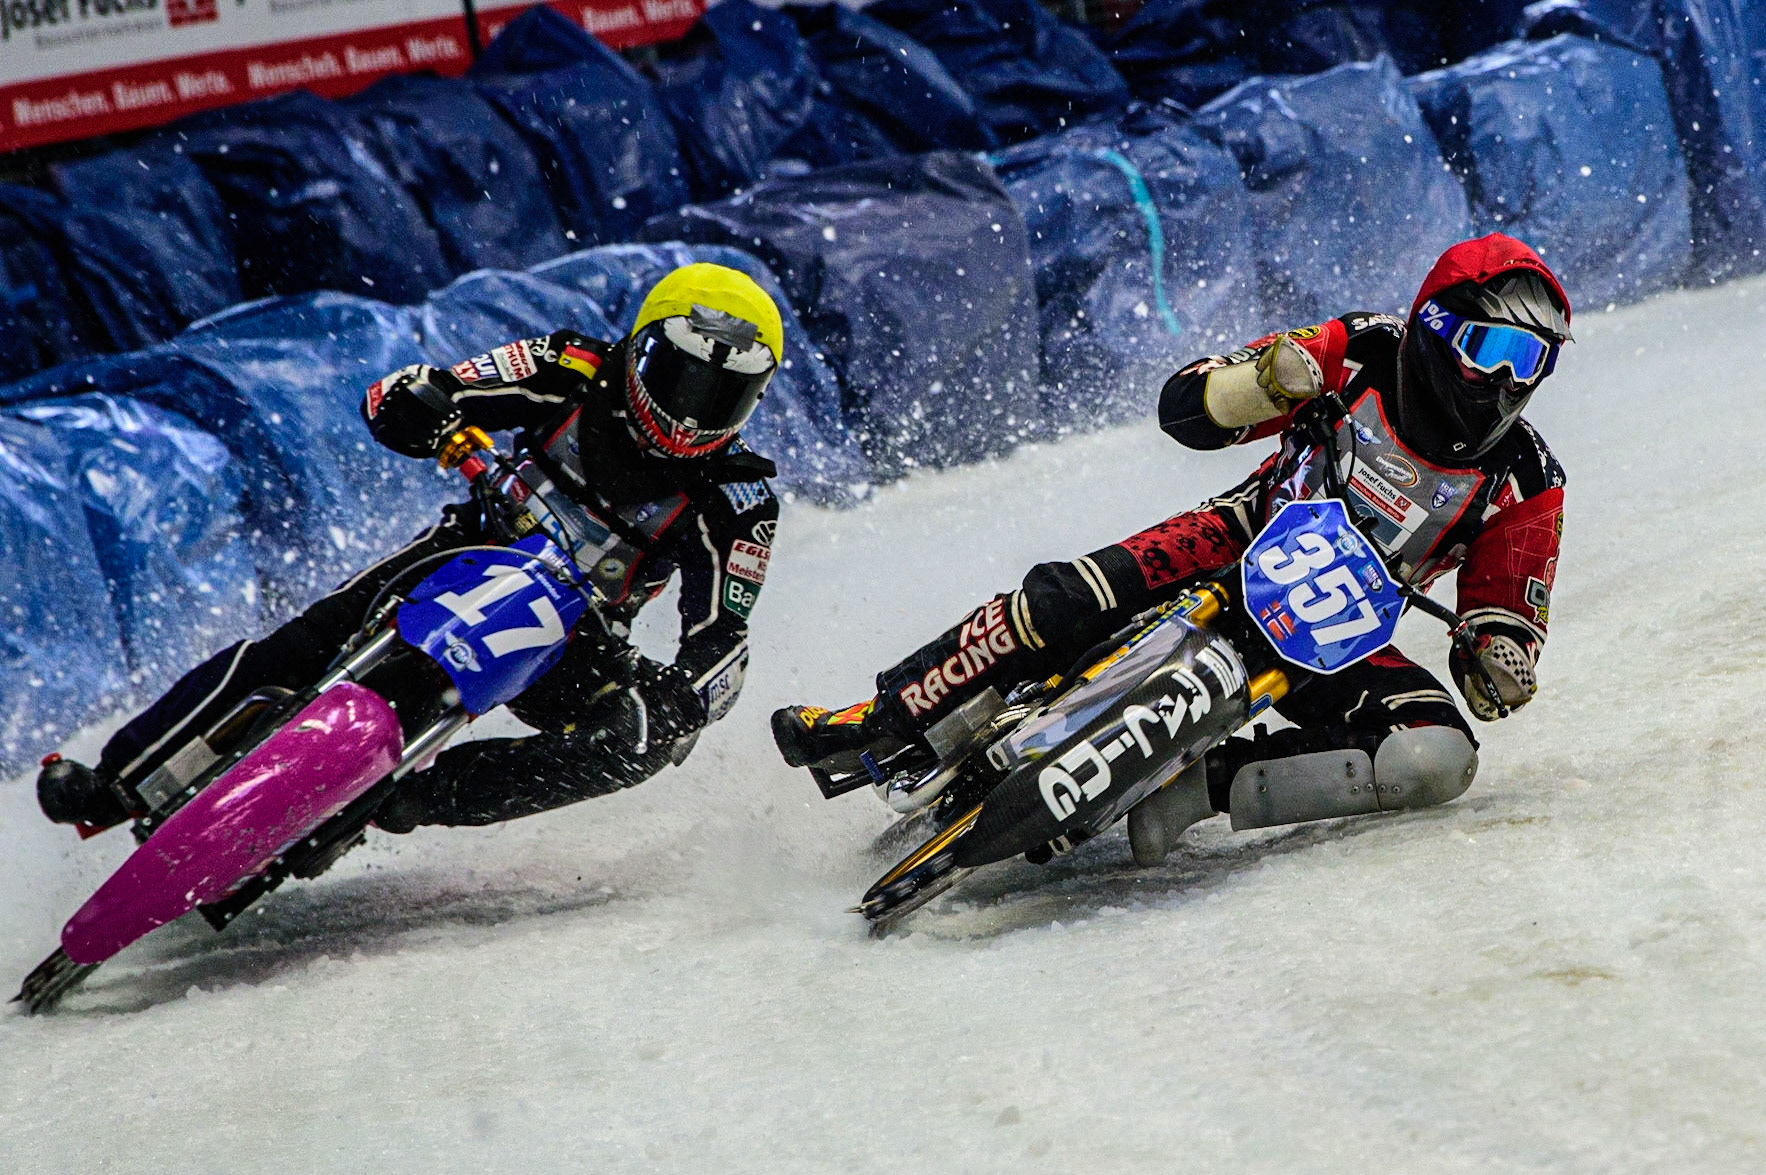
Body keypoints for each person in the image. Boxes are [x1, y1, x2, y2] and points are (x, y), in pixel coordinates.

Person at [773, 233, 1569, 864]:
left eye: (1526, 361)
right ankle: (882, 715)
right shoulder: (1363, 348)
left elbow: (1504, 624)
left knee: (1435, 756)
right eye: (1486, 348)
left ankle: (1201, 788)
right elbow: (1185, 409)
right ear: (1434, 324)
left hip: (1335, 636)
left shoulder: (1527, 475)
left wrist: (1496, 656)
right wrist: (1260, 384)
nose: (1502, 379)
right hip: (1238, 536)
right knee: (1063, 595)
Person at [38, 263, 783, 833]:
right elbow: (422, 389)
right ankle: (113, 783)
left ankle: (415, 796)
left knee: (638, 740)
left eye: (719, 396)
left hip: (571, 635)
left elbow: (724, 637)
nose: (689, 416)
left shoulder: (739, 499)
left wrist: (683, 692)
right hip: (473, 548)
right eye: (680, 380)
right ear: (640, 347)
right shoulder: (569, 368)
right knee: (297, 646)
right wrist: (416, 402)